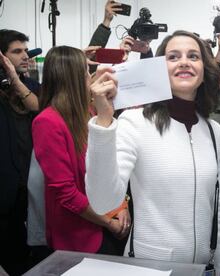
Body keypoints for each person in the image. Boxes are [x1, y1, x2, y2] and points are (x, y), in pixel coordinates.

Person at [85, 30, 220, 275]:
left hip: (203, 268)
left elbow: (219, 209)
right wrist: (104, 120)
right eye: (173, 57)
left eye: (193, 56)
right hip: (150, 267)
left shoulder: (213, 130)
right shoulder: (134, 122)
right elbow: (102, 201)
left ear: (204, 71)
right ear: (157, 69)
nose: (184, 61)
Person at [32, 46, 130, 255]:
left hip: (106, 222)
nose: (90, 76)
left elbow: (109, 166)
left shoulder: (90, 111)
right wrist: (108, 222)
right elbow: (65, 192)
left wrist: (121, 205)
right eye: (86, 71)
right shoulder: (47, 122)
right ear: (73, 77)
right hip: (79, 234)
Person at [0, 29, 39, 276]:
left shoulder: (31, 86)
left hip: (28, 185)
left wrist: (16, 79)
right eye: (17, 51)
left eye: (26, 50)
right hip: (5, 189)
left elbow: (39, 105)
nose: (25, 55)